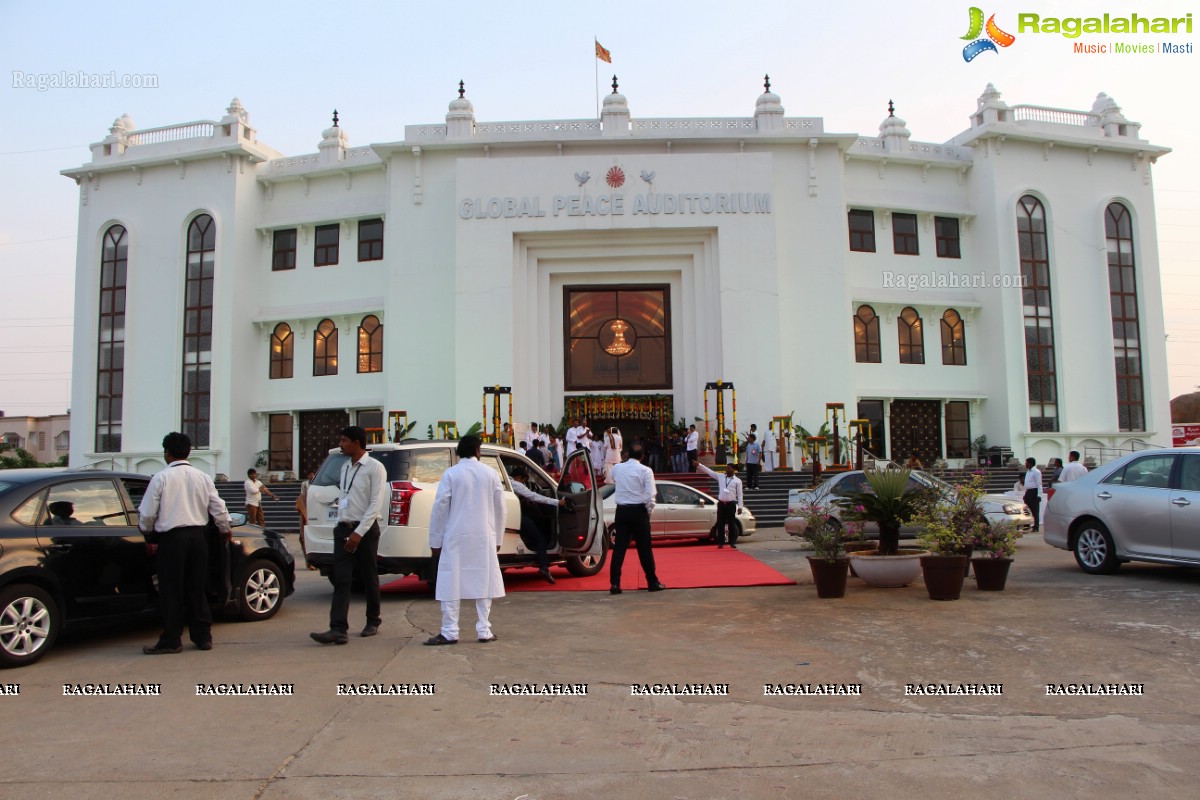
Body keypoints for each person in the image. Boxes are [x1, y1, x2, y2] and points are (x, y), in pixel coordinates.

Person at [138, 431, 232, 655]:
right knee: (197, 587)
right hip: (198, 538)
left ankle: (171, 639)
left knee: (172, 590)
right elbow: (218, 507)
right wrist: (225, 528)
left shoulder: (161, 478)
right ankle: (203, 637)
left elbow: (147, 514)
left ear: (167, 453)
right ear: (188, 452)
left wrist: (147, 532)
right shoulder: (202, 477)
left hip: (172, 539)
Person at [310, 426, 389, 645]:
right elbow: (345, 497)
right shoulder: (345, 467)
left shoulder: (375, 468)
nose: (341, 444)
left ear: (356, 442)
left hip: (365, 529)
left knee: (368, 575)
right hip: (344, 528)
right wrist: (341, 526)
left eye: (344, 441)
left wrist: (358, 533)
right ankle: (338, 629)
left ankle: (373, 620)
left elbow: (375, 504)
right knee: (342, 578)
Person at [425, 435, 507, 645]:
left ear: (459, 452)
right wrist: (498, 536)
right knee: (484, 580)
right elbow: (501, 507)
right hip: (484, 536)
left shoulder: (451, 474)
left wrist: (435, 540)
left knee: (451, 581)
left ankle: (450, 630)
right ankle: (484, 629)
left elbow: (440, 508)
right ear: (478, 451)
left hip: (456, 536)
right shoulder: (490, 474)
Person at [608, 444, 666, 594]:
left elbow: (612, 478)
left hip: (622, 510)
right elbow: (650, 496)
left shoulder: (617, 468)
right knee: (644, 548)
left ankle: (615, 583)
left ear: (627, 455)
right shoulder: (646, 470)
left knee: (619, 548)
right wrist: (648, 512)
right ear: (642, 456)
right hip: (639, 510)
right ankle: (652, 582)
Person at [509, 464, 567, 584]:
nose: (524, 484)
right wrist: (557, 502)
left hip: (509, 516)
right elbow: (534, 496)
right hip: (517, 517)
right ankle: (544, 567)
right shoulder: (515, 484)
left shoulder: (505, 482)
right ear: (518, 477)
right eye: (524, 481)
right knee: (540, 539)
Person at [696, 460, 745, 549]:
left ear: (733, 470)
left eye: (728, 468)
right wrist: (699, 465)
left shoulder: (737, 481)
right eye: (726, 468)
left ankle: (732, 542)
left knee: (731, 524)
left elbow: (740, 494)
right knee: (720, 523)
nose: (726, 469)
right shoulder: (721, 476)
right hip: (721, 504)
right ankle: (721, 542)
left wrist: (740, 506)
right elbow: (709, 472)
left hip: (731, 504)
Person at [296, 469, 317, 569]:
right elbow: (299, 506)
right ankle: (309, 563)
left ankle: (314, 562)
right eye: (310, 474)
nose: (312, 476)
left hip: (316, 516)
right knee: (304, 538)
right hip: (306, 517)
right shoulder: (303, 494)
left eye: (313, 474)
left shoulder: (318, 489)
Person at [1023, 457, 1043, 533]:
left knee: (1035, 510)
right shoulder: (1028, 471)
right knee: (1027, 508)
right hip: (1028, 491)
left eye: (1026, 462)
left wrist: (1039, 495)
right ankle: (1028, 524)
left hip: (1034, 491)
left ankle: (1036, 526)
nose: (1025, 464)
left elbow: (1039, 484)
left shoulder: (1036, 472)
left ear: (1030, 463)